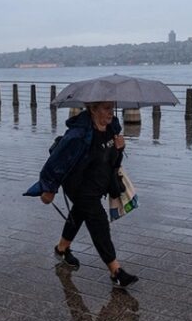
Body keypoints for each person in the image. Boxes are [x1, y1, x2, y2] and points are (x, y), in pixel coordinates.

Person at [24, 101, 139, 288]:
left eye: (112, 108)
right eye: (106, 108)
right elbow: (57, 162)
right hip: (79, 186)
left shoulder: (113, 128)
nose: (110, 112)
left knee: (79, 214)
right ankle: (115, 271)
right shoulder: (78, 135)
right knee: (98, 222)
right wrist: (49, 189)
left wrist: (120, 149)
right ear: (93, 109)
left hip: (98, 185)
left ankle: (61, 249)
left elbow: (113, 162)